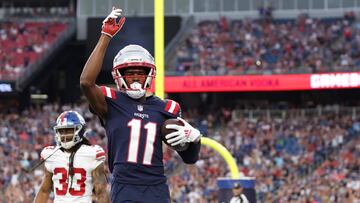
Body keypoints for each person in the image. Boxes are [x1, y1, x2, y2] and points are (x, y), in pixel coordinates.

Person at [80, 7, 202, 203]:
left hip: (156, 187)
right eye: (129, 72)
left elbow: (190, 159)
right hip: (124, 185)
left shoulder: (166, 108)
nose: (135, 77)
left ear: (149, 74)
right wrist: (105, 36)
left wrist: (195, 140)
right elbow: (86, 82)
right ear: (118, 75)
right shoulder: (111, 102)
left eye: (140, 72)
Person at [33, 111, 109, 203]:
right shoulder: (51, 155)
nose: (64, 135)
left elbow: (101, 192)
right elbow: (44, 191)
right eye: (61, 131)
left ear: (80, 130)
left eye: (69, 130)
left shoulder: (92, 154)